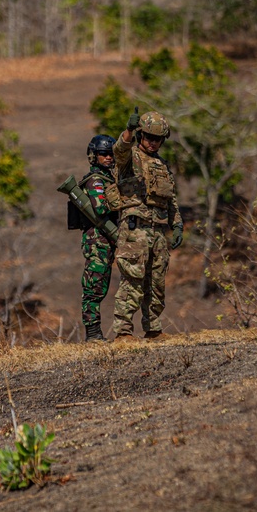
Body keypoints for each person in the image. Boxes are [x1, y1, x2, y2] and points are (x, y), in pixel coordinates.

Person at [111, 110, 183, 341]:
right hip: (136, 229)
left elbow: (170, 198)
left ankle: (153, 328)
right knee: (132, 278)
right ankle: (123, 331)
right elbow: (118, 151)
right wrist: (128, 131)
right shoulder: (130, 157)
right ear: (141, 135)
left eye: (158, 139)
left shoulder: (162, 164)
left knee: (156, 281)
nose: (153, 143)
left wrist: (177, 224)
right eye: (149, 137)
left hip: (159, 230)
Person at [79, 134, 118, 341]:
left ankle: (97, 333)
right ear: (94, 156)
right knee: (93, 288)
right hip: (97, 242)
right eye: (103, 154)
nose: (109, 157)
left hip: (106, 241)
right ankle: (93, 334)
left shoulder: (109, 179)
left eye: (111, 153)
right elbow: (101, 208)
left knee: (102, 286)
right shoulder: (95, 181)